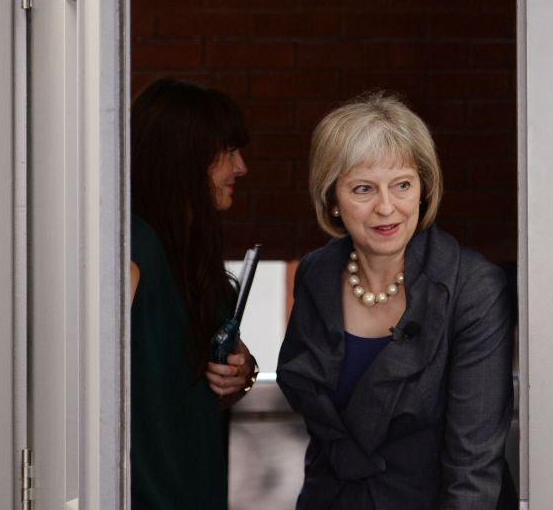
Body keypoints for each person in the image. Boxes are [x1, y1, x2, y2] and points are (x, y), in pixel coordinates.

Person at [277, 92, 516, 509]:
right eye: (364, 189)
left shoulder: (473, 289)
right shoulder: (317, 273)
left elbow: (473, 469)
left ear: (423, 188)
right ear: (332, 199)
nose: (387, 208)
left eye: (402, 185)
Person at [129, 78, 260, 509]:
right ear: (182, 156)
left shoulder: (195, 258)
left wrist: (242, 374)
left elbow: (198, 386)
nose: (240, 167)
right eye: (227, 151)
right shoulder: (132, 249)